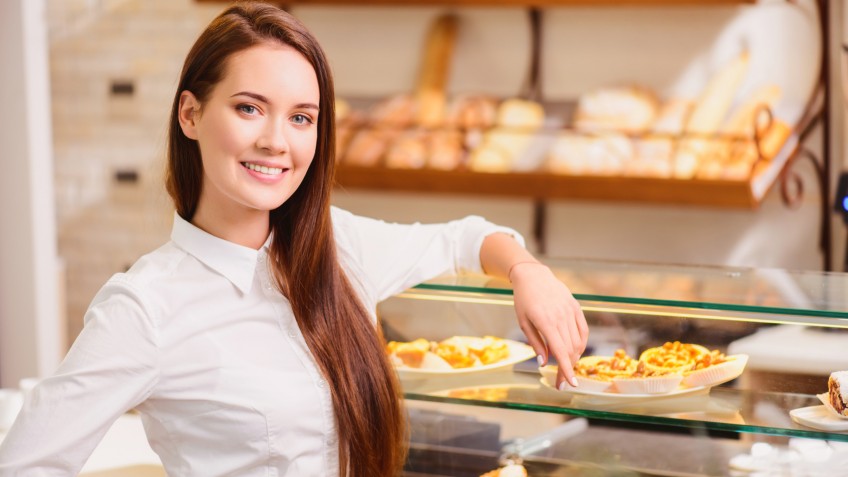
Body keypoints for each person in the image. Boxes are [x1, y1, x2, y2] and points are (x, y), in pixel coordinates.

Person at [0, 2, 588, 476]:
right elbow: (26, 463)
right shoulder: (144, 307)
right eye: (250, 108)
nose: (277, 141)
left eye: (302, 117)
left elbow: (469, 238)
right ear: (190, 114)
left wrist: (525, 271)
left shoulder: (339, 243)